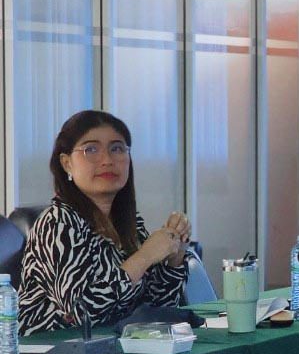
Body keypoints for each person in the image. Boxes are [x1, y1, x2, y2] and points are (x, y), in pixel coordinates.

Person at [19, 110, 190, 334]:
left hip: (114, 348)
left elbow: (157, 309)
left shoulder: (130, 224)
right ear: (67, 163)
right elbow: (83, 312)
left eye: (117, 149)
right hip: (52, 351)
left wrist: (174, 258)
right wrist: (145, 256)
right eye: (91, 149)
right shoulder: (57, 224)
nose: (107, 160)